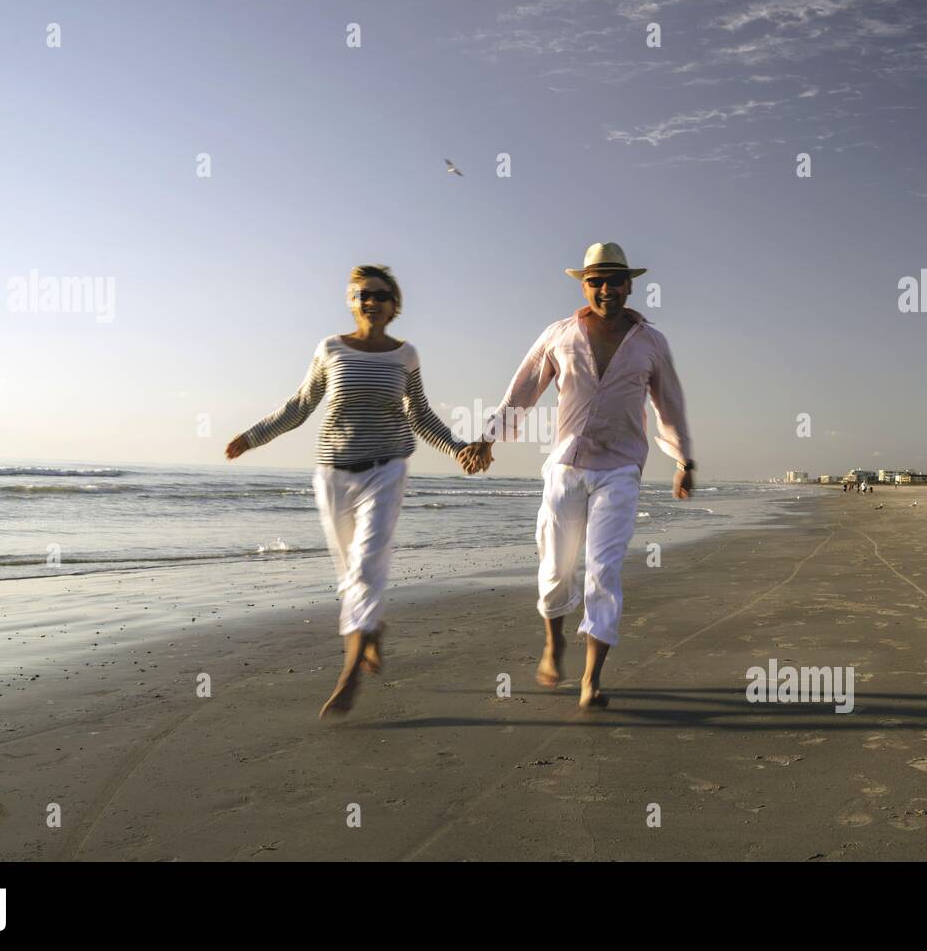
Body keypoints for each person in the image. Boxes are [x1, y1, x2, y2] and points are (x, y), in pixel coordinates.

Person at [225, 264, 489, 718]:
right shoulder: (329, 349)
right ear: (352, 301)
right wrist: (253, 437)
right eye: (363, 294)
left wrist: (458, 449)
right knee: (349, 573)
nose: (371, 301)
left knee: (366, 568)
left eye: (381, 295)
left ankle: (348, 676)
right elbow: (301, 405)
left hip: (386, 471)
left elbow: (420, 416)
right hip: (333, 473)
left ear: (395, 305)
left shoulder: (405, 356)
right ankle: (370, 628)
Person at [462, 243, 694, 710]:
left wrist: (683, 461)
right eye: (596, 281)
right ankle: (554, 643)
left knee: (604, 571)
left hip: (622, 469)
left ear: (630, 285)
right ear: (584, 285)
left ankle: (592, 678)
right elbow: (523, 388)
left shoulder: (652, 342)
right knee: (554, 569)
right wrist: (488, 438)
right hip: (566, 467)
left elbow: (669, 404)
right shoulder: (559, 334)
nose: (605, 289)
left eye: (614, 280)